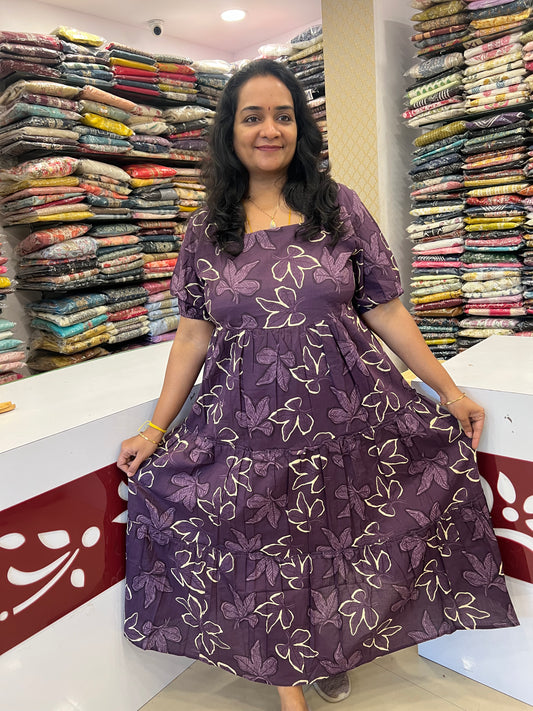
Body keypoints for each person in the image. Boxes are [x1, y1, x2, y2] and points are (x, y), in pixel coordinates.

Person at [117, 59, 518, 711]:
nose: (269, 129)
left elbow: (385, 308)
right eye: (252, 116)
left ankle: (326, 650)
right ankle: (289, 685)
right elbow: (191, 335)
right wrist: (157, 428)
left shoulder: (338, 207)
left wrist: (447, 391)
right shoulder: (204, 230)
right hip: (243, 423)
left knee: (337, 541)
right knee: (262, 548)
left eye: (283, 116)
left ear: (300, 128)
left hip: (344, 412)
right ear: (230, 131)